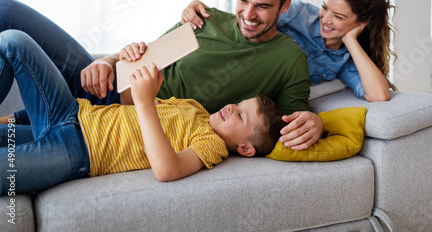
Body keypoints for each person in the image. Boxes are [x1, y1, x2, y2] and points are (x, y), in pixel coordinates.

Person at [0, 0, 323, 151]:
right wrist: (109, 60)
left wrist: (317, 124)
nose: (248, 15)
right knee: (6, 12)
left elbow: (288, 122)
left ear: (285, 6)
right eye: (243, 0)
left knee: (9, 136)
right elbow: (143, 52)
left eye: (263, 6)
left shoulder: (289, 59)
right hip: (103, 80)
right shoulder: (206, 18)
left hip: (118, 117)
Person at [0, 30, 285, 195]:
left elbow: (167, 170)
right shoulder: (194, 108)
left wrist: (146, 101)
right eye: (240, 104)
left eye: (241, 116)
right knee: (14, 42)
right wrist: (126, 61)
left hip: (77, 149)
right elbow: (128, 100)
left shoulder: (212, 146)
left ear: (245, 149)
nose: (232, 107)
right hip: (71, 112)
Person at [181, 0, 396, 102]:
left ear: (363, 21)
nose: (325, 19)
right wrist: (196, 8)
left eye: (338, 16)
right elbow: (246, 23)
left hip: (257, 96)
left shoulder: (345, 61)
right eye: (324, 7)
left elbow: (379, 95)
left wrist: (350, 41)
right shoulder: (299, 14)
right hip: (235, 70)